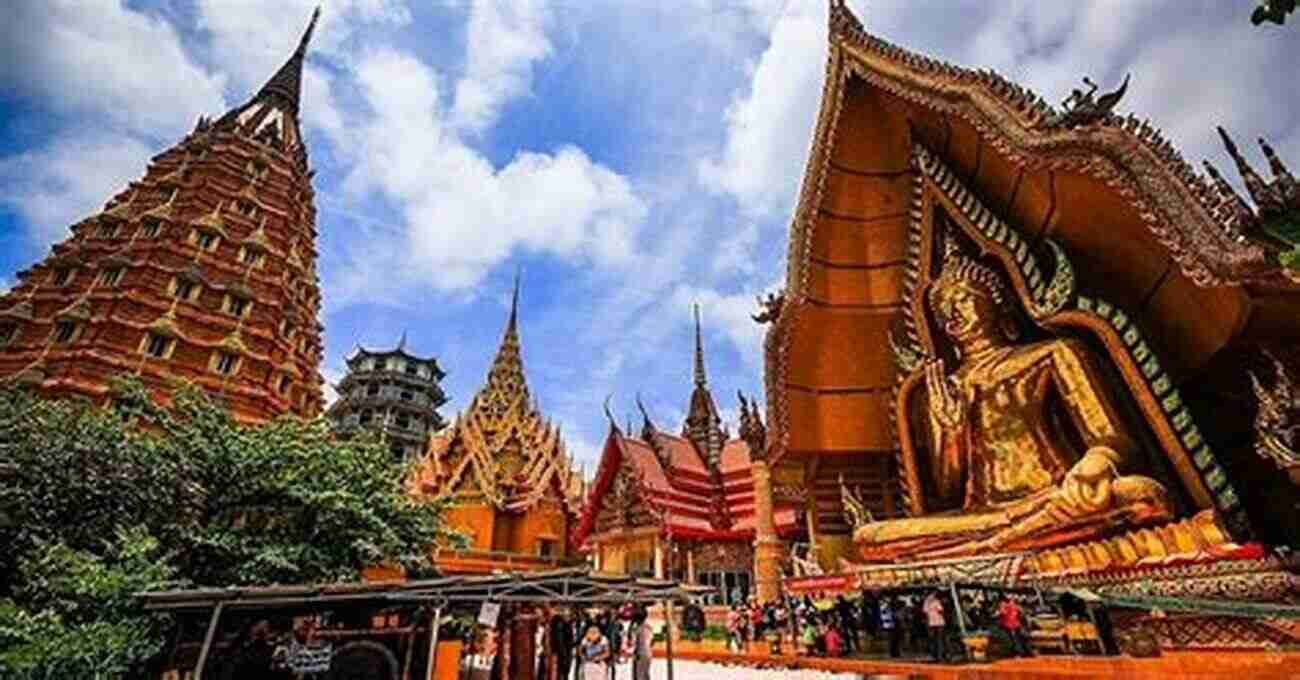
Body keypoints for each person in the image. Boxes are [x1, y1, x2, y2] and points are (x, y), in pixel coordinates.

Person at [628, 607, 653, 680]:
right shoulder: (648, 626)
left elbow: (633, 642)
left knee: (640, 676)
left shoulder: (638, 628)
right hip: (647, 653)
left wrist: (631, 626)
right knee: (644, 675)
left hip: (640, 653)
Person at [923, 591, 947, 663]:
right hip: (939, 622)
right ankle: (940, 656)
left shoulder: (926, 602)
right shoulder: (936, 601)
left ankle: (935, 656)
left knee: (932, 640)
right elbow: (941, 610)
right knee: (939, 640)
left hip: (931, 622)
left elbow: (925, 612)